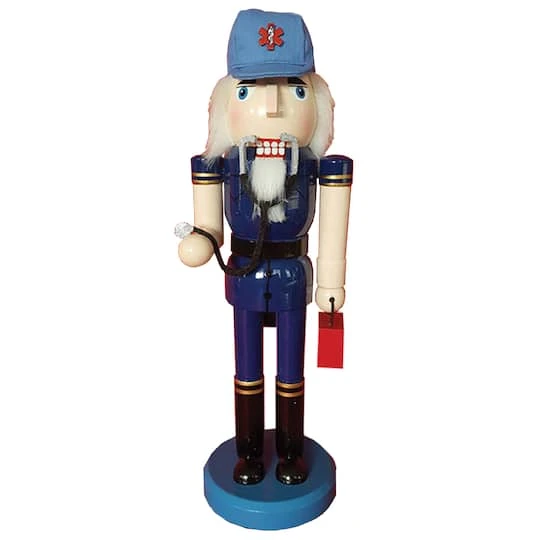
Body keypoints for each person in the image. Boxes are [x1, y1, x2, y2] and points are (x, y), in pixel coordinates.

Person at [177, 9, 353, 486]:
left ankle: (292, 452)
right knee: (247, 367)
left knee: (291, 369)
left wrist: (332, 282)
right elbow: (208, 224)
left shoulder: (322, 167)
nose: (273, 107)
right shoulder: (220, 163)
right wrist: (201, 238)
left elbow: (334, 225)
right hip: (245, 274)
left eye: (295, 90)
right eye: (248, 91)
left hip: (294, 275)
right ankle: (249, 451)